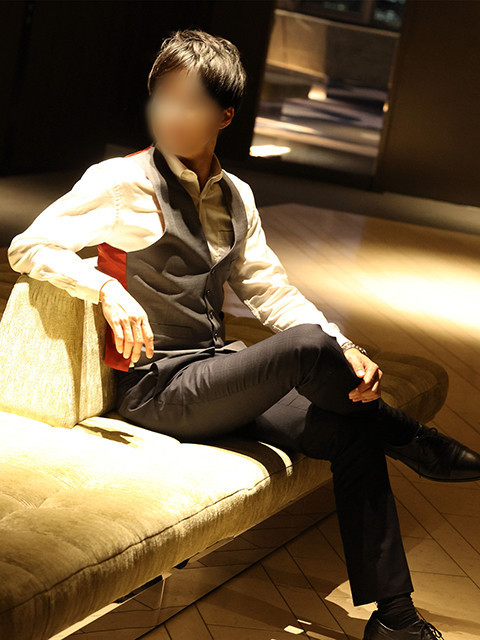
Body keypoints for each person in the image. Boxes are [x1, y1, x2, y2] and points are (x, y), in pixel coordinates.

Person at [7, 28, 480, 640]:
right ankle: (413, 439)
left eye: (190, 102)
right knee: (308, 348)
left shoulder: (237, 196)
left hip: (218, 374)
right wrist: (104, 287)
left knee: (353, 432)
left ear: (224, 115)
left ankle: (395, 620)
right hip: (159, 390)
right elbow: (29, 246)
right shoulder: (120, 182)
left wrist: (346, 345)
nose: (171, 114)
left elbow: (271, 292)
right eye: (162, 98)